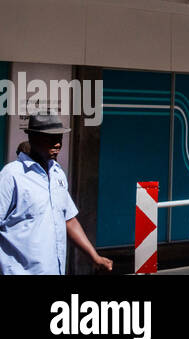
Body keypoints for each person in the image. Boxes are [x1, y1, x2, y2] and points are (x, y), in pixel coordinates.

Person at [0, 114, 113, 275]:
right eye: (50, 138)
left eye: (60, 137)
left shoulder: (57, 172)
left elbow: (69, 219)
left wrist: (94, 257)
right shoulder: (11, 176)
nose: (58, 144)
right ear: (33, 137)